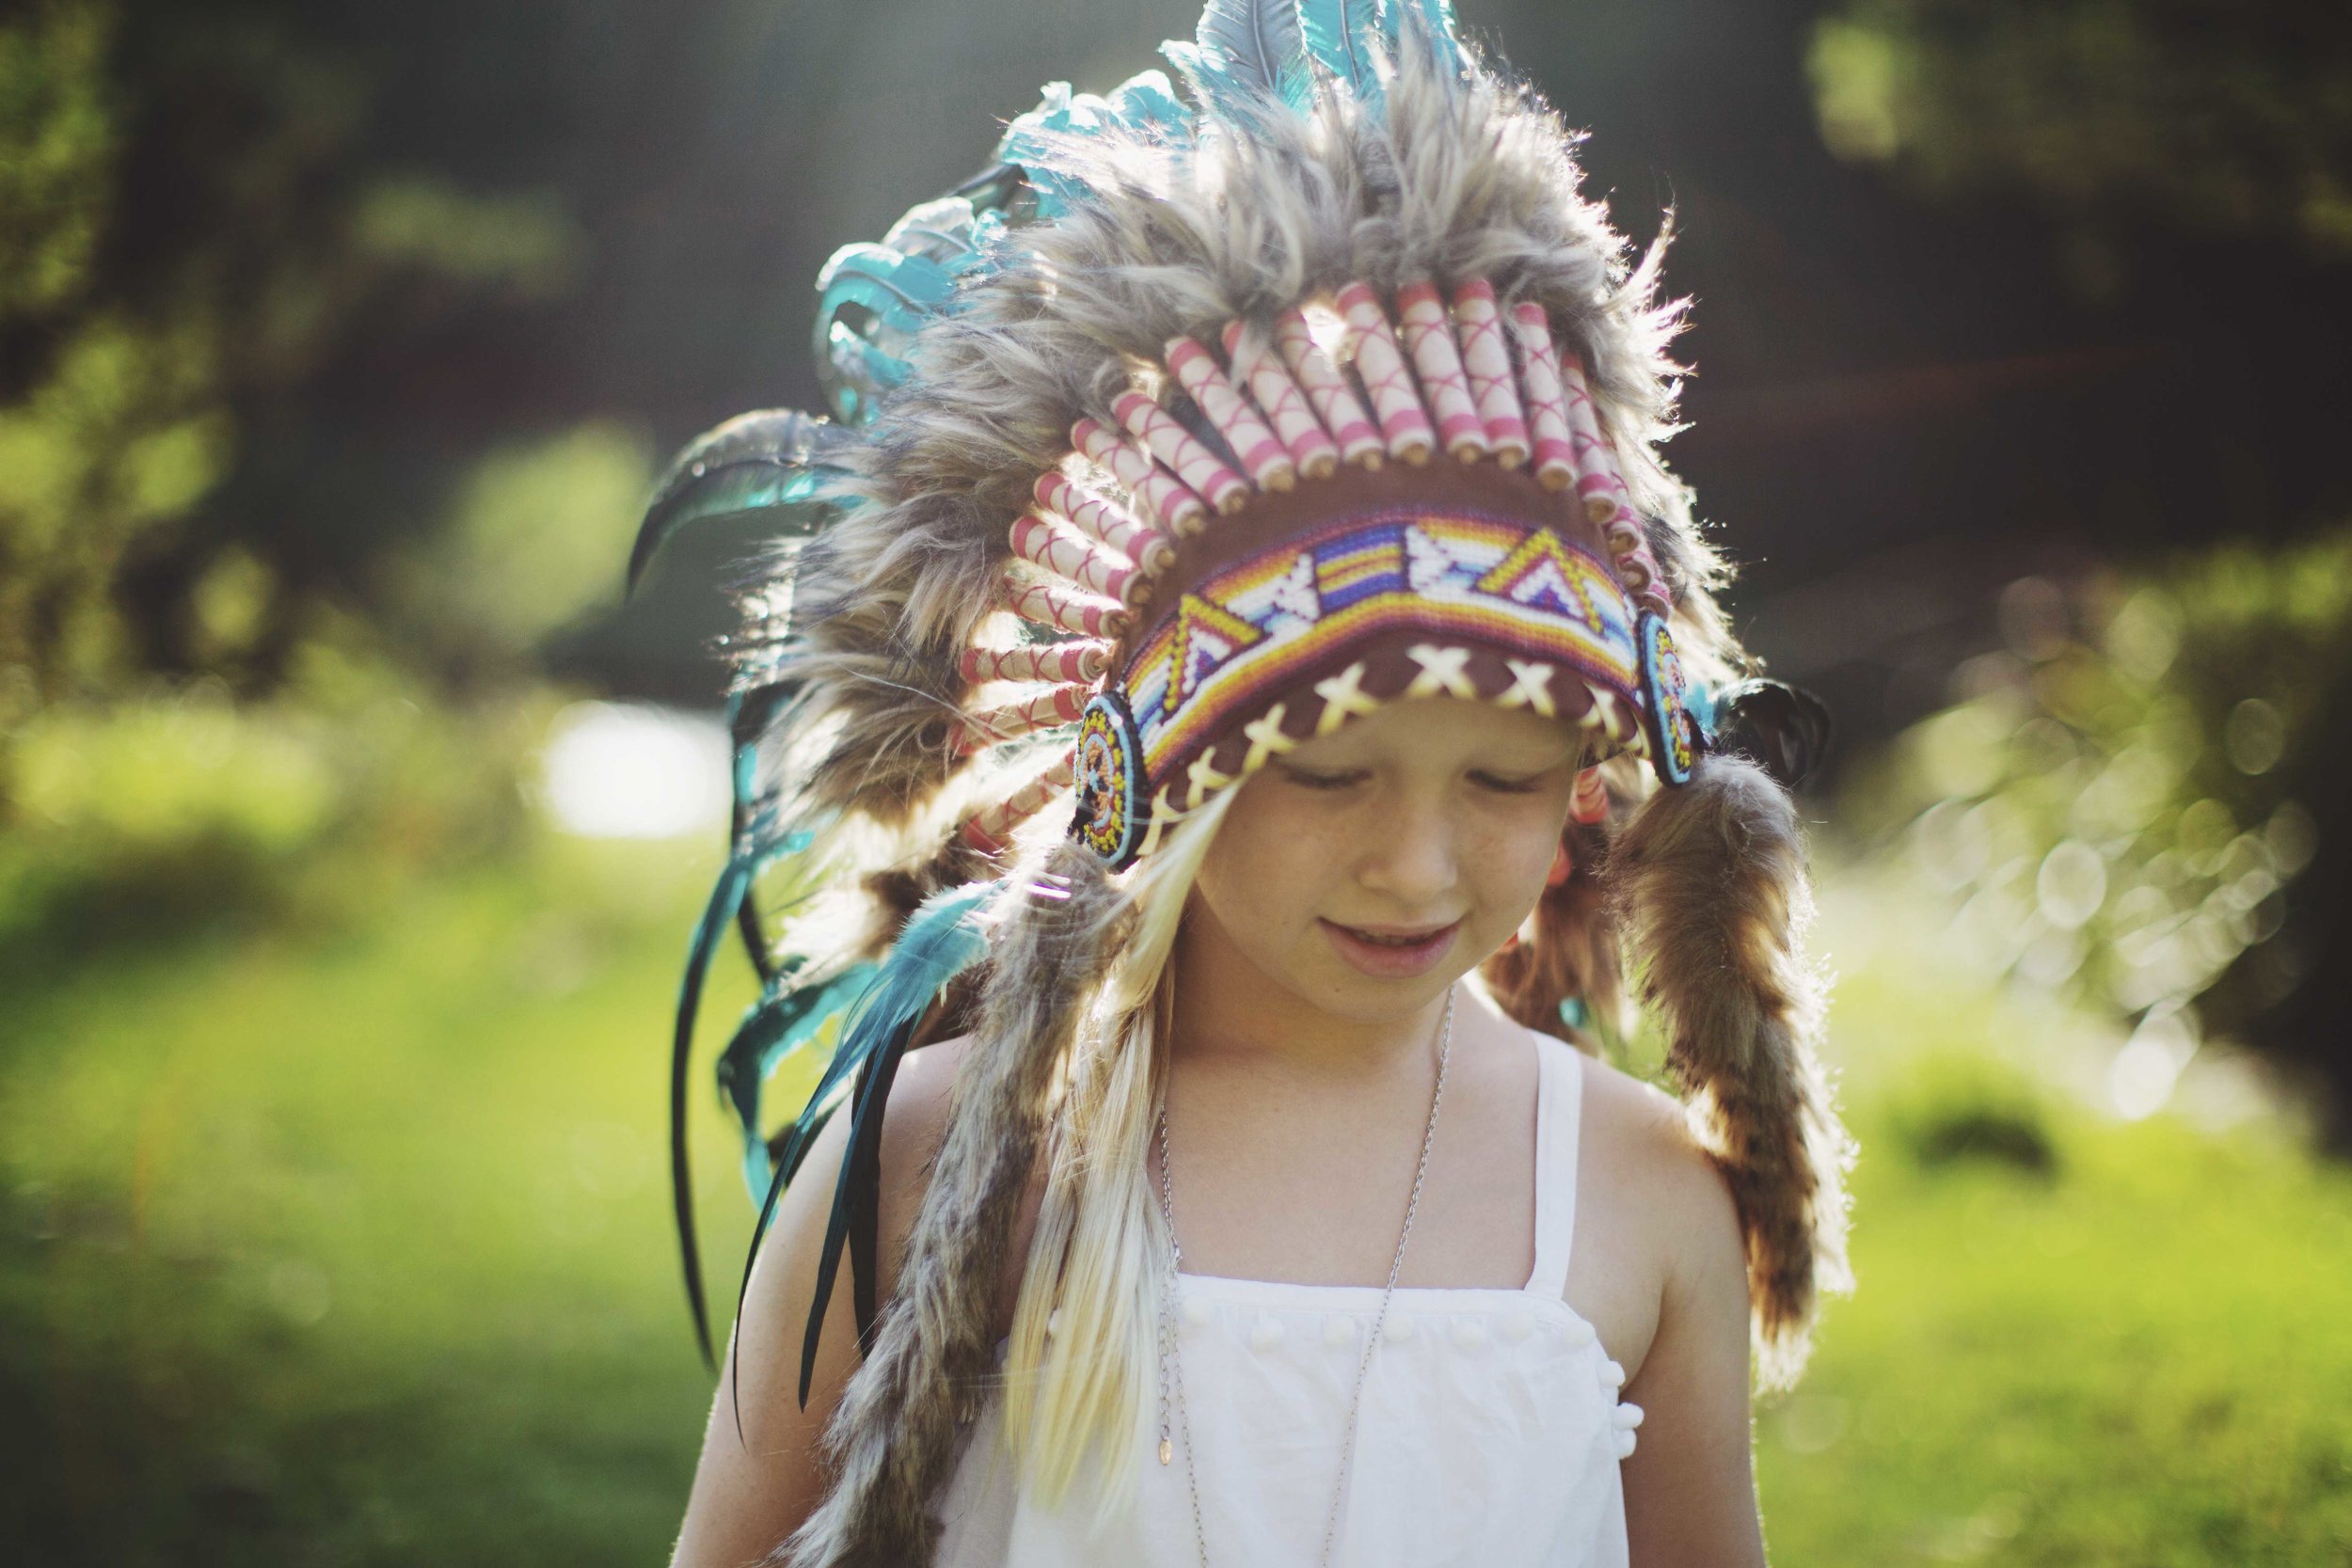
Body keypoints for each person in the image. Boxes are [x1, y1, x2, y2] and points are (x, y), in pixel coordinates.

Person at [633, 6, 1852, 1564]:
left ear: (1596, 792)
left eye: (1501, 777)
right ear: (1167, 780)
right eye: (1332, 772)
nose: (1416, 868)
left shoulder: (1640, 1193)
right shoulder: (939, 1160)